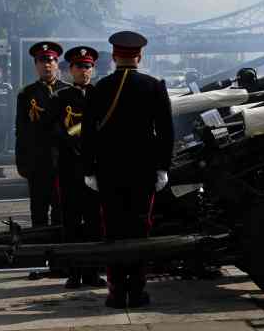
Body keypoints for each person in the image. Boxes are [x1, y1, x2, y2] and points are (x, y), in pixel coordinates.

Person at [81, 31, 173, 309]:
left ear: (114, 56)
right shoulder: (154, 86)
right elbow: (166, 132)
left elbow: (88, 134)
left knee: (113, 230)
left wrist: (89, 170)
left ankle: (116, 292)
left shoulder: (99, 88)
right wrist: (162, 168)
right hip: (143, 172)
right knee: (139, 229)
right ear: (139, 56)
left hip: (109, 172)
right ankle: (137, 290)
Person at [52, 46, 105, 289]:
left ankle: (93, 272)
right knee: (71, 221)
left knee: (95, 221)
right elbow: (56, 130)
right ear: (70, 69)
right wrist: (79, 137)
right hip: (70, 166)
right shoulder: (60, 97)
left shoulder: (101, 95)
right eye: (78, 66)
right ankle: (74, 273)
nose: (83, 71)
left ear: (93, 69)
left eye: (87, 66)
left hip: (95, 168)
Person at [16, 42, 68, 234]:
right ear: (36, 65)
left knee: (61, 211)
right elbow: (21, 130)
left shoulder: (67, 91)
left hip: (63, 161)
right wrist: (21, 161)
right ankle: (39, 251)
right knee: (38, 211)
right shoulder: (26, 94)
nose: (47, 65)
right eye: (42, 61)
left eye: (52, 61)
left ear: (57, 64)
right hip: (38, 161)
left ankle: (60, 258)